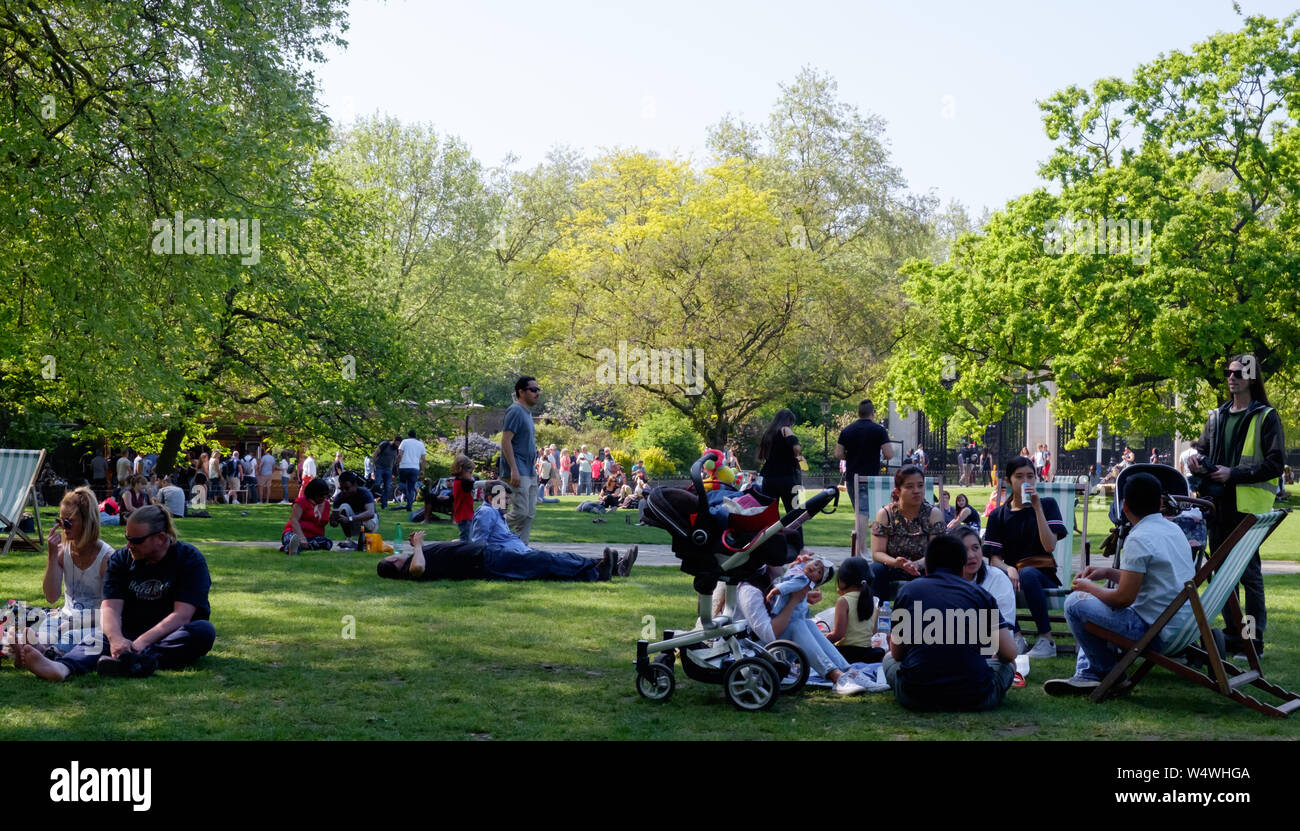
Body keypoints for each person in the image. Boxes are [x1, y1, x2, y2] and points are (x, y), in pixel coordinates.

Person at [10, 505, 215, 681]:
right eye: (127, 538)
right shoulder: (121, 559)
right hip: (128, 630)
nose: (129, 545)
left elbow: (182, 615)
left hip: (171, 633)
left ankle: (135, 659)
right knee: (99, 637)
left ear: (161, 538)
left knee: (203, 631)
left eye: (136, 540)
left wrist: (139, 644)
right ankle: (61, 668)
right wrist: (116, 639)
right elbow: (110, 607)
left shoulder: (189, 560)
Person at [1044, 472, 1196, 695]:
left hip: (1155, 632)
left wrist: (1090, 588)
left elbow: (1123, 599)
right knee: (1090, 602)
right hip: (1182, 626)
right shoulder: (1173, 530)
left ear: (1124, 506)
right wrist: (1107, 572)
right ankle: (1086, 672)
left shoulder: (1139, 537)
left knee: (1075, 603)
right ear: (1161, 503)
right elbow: (1154, 577)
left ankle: (1105, 672)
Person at [1189, 354, 1285, 656]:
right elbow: (1202, 450)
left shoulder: (1266, 417)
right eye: (1229, 373)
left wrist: (1234, 473)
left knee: (1248, 575)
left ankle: (1252, 640)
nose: (1231, 378)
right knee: (1222, 575)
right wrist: (1195, 460)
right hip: (1216, 505)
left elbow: (1275, 464)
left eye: (1238, 374)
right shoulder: (1217, 416)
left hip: (1247, 507)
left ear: (1251, 379)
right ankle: (1234, 636)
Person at [378, 480, 633, 582]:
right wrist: (420, 546)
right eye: (392, 557)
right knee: (545, 562)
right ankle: (600, 569)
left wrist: (430, 545)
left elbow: (462, 543)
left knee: (547, 562)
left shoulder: (414, 558)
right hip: (487, 559)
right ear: (393, 564)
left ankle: (604, 566)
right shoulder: (412, 568)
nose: (396, 554)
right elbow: (419, 569)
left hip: (488, 556)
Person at [881, 535, 1018, 711]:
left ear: (926, 569)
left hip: (916, 696)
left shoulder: (908, 591)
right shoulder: (981, 596)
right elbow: (1009, 654)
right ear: (962, 568)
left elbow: (897, 654)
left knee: (888, 658)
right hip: (976, 697)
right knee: (1009, 665)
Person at [720, 561, 872, 694]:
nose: (784, 563)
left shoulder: (764, 583)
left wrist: (802, 598)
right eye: (780, 561)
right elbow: (769, 634)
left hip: (761, 645)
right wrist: (794, 601)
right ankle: (835, 676)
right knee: (797, 624)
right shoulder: (750, 591)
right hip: (746, 652)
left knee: (808, 623)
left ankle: (848, 671)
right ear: (766, 565)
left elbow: (779, 605)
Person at [983, 455, 1068, 659]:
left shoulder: (1047, 505)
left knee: (1028, 573)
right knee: (994, 577)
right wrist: (1009, 569)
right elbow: (994, 559)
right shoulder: (998, 515)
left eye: (1030, 476)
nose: (1025, 481)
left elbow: (1049, 545)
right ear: (1008, 481)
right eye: (1019, 476)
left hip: (1040, 576)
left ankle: (1046, 640)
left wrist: (1037, 508)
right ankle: (1015, 637)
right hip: (1011, 578)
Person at [13, 488, 114, 655]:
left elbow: (110, 612)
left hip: (94, 622)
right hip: (65, 617)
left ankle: (36, 652)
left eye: (68, 522)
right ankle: (34, 649)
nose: (63, 527)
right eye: (60, 522)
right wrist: (52, 556)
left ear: (87, 522)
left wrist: (77, 623)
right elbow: (51, 597)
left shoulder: (107, 559)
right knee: (49, 627)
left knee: (72, 636)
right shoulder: (62, 552)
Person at [868, 464, 946, 606]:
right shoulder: (885, 514)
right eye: (910, 486)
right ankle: (878, 617)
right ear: (897, 491)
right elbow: (877, 553)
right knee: (875, 569)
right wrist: (897, 563)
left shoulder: (933, 514)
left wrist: (916, 564)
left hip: (923, 568)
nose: (916, 491)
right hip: (893, 568)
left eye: (920, 485)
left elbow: (937, 553)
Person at [499, 376, 540, 543]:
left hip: (529, 470)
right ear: (521, 392)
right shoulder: (515, 410)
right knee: (521, 512)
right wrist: (513, 469)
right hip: (517, 470)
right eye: (533, 390)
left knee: (529, 515)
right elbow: (505, 440)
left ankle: (521, 551)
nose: (537, 393)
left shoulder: (527, 413)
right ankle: (486, 527)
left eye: (538, 390)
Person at [953, 524, 1017, 631]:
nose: (971, 555)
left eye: (975, 548)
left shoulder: (997, 579)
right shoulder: (945, 580)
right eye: (963, 550)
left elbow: (1005, 630)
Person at [835, 399, 895, 506]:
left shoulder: (847, 430)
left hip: (852, 477)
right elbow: (889, 454)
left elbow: (838, 453)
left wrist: (849, 457)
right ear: (872, 413)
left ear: (859, 413)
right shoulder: (879, 430)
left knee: (859, 511)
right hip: (870, 477)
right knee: (870, 511)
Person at [826, 556, 884, 664]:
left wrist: (822, 640)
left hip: (846, 653)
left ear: (842, 580)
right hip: (867, 653)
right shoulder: (873, 601)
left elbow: (838, 635)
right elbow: (874, 632)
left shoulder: (843, 601)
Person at [757, 408, 805, 513]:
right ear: (789, 421)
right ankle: (795, 530)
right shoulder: (785, 430)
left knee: (769, 511)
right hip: (786, 476)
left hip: (769, 476)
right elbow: (796, 449)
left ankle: (770, 529)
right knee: (793, 510)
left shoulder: (768, 433)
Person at [282, 478, 333, 555]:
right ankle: (294, 546)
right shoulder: (301, 502)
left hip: (313, 536)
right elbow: (294, 521)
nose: (323, 497)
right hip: (294, 533)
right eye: (320, 495)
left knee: (327, 543)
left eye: (325, 495)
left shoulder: (326, 505)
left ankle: (297, 547)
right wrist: (302, 538)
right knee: (292, 538)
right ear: (313, 494)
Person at [330, 471, 377, 551]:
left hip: (368, 523)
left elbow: (370, 513)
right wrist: (334, 520)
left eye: (347, 488)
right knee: (344, 507)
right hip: (353, 524)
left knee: (364, 515)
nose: (344, 491)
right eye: (341, 488)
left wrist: (350, 519)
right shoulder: (339, 497)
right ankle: (350, 539)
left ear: (355, 485)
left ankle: (366, 538)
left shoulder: (364, 493)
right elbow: (333, 520)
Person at [396, 429, 425, 516]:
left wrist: (397, 464)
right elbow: (423, 459)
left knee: (402, 484)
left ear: (408, 435)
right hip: (415, 468)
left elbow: (400, 454)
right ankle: (409, 506)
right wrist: (422, 470)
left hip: (404, 466)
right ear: (415, 435)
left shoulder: (404, 442)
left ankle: (407, 496)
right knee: (411, 487)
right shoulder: (421, 444)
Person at [450, 454, 476, 542]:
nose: (472, 476)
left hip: (465, 515)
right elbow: (477, 484)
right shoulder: (464, 483)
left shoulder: (458, 481)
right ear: (462, 470)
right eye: (470, 473)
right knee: (466, 540)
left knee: (467, 536)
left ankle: (458, 543)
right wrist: (495, 482)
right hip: (465, 515)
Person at [372, 436, 398, 509]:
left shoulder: (396, 450)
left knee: (387, 487)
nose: (398, 445)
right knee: (377, 484)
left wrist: (394, 471)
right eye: (397, 443)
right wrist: (374, 465)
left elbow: (395, 461)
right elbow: (375, 454)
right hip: (379, 468)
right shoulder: (385, 444)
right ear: (394, 441)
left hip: (388, 470)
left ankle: (384, 504)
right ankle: (371, 500)